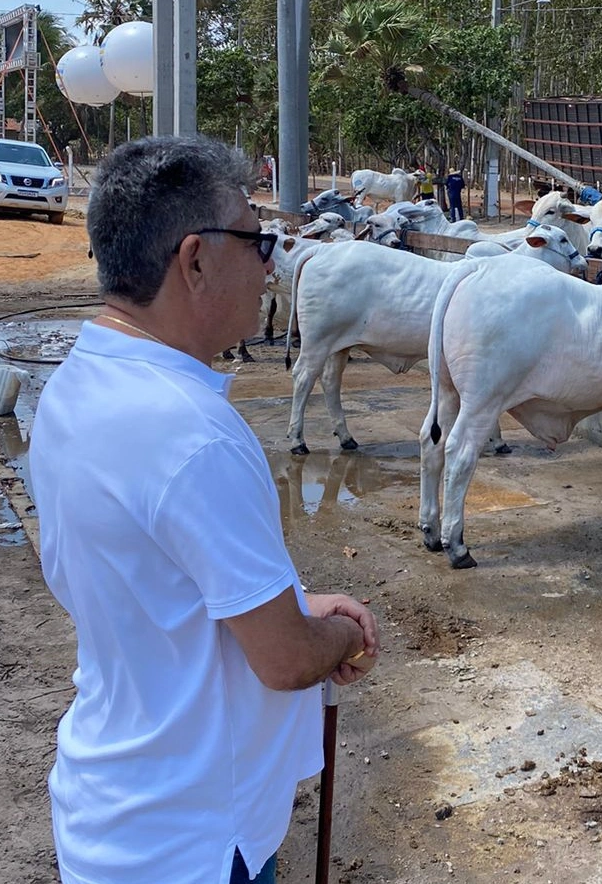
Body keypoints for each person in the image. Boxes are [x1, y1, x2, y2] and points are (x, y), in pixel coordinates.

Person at [29, 134, 380, 884]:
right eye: (257, 242)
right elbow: (285, 662)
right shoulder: (193, 435)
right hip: (195, 843)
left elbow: (153, 584)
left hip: (112, 814)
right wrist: (336, 637)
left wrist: (290, 602)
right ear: (194, 260)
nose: (268, 266)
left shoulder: (75, 387)